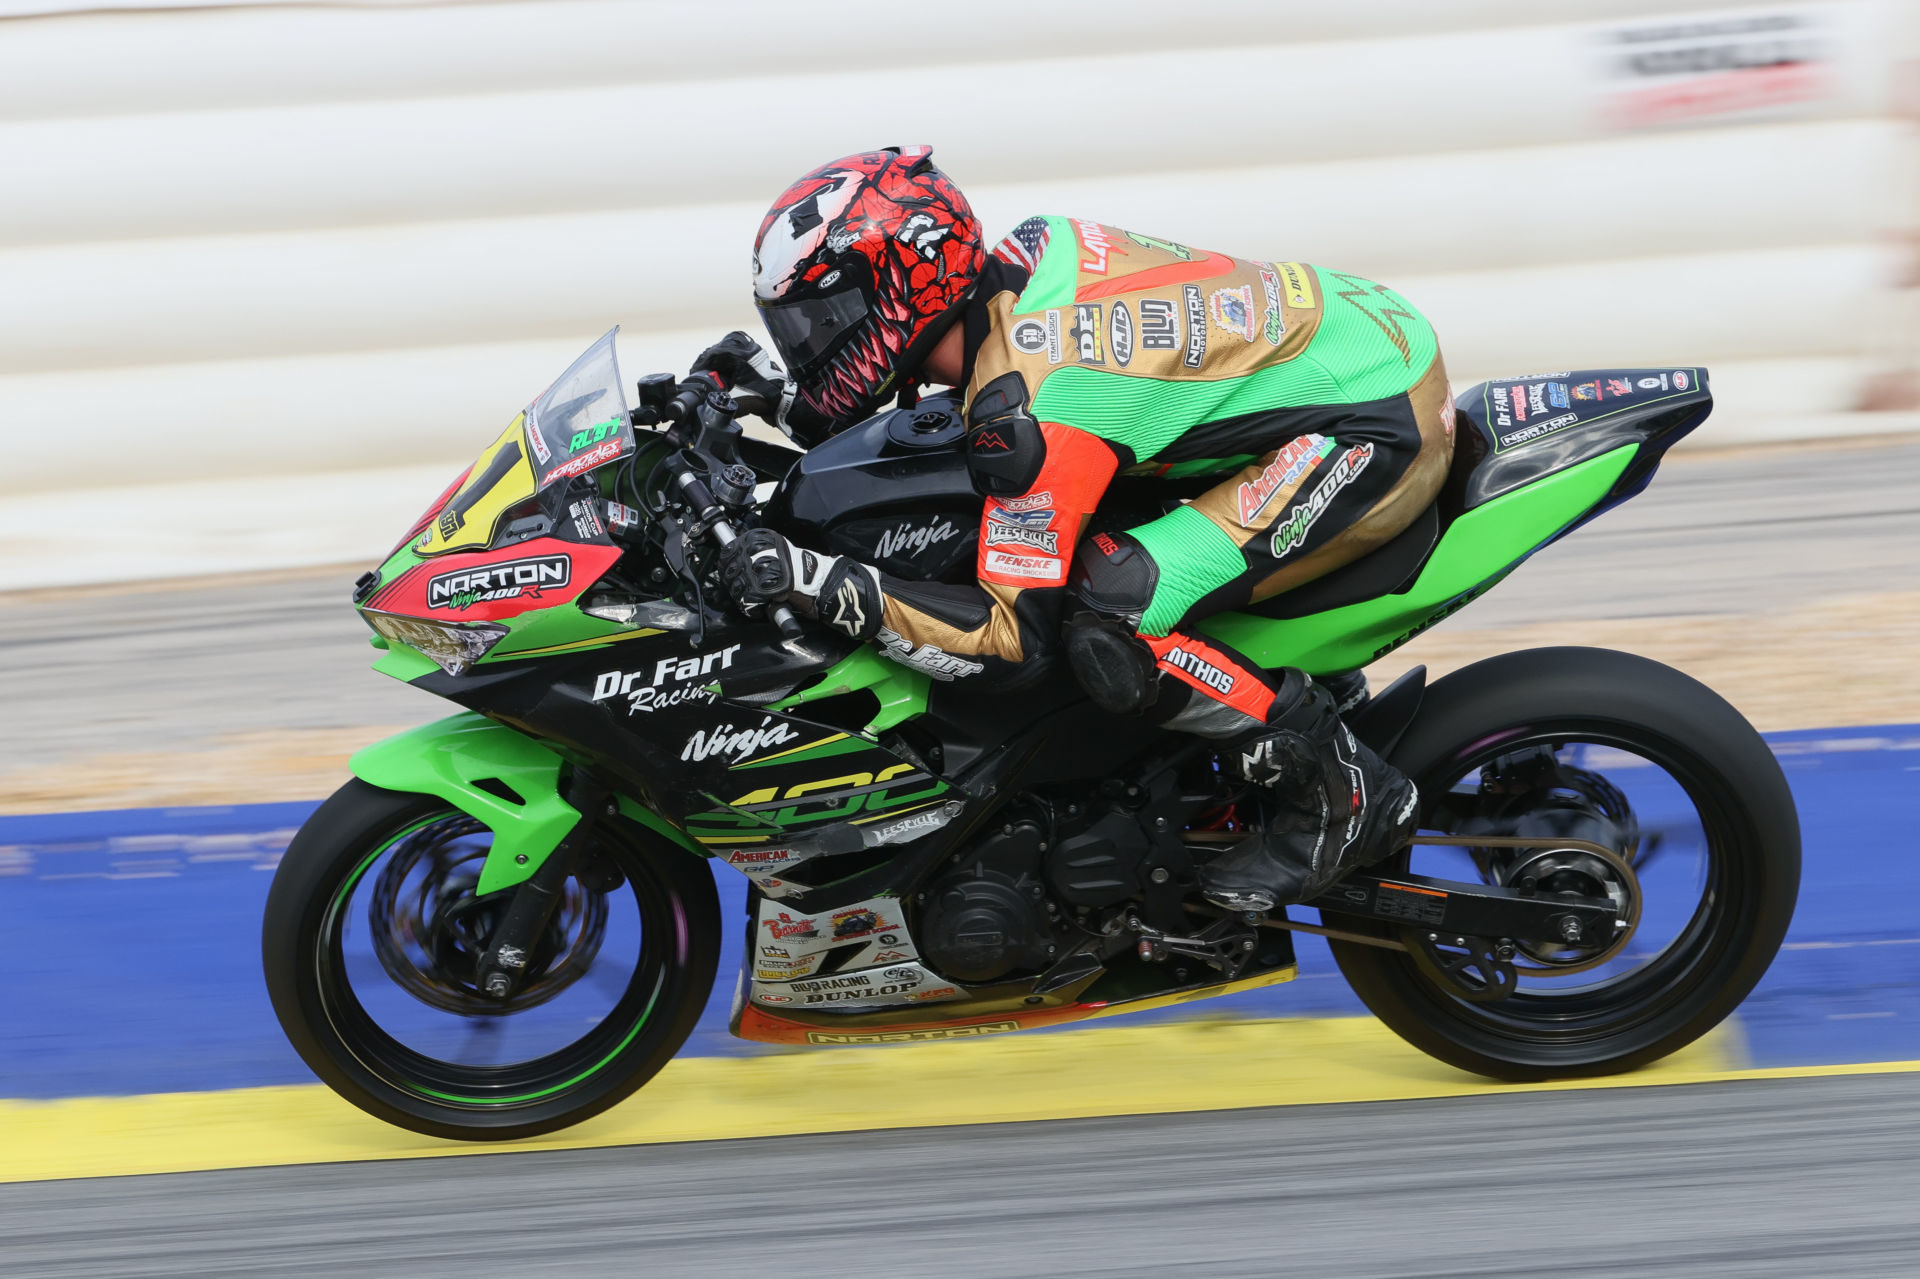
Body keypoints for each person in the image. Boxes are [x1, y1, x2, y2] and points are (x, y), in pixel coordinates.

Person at [699, 145, 1452, 911]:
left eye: (824, 318)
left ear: (901, 288)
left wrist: (818, 579)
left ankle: (1341, 795)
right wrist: (771, 405)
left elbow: (1008, 642)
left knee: (1109, 610)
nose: (811, 343)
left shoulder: (1029, 402)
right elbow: (918, 379)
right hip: (1356, 336)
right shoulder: (1023, 257)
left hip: (1374, 423)